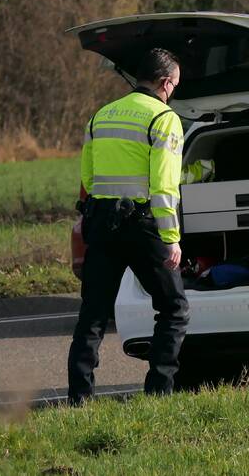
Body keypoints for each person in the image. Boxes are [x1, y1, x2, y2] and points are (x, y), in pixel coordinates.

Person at [67, 48, 190, 403]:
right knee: (173, 307)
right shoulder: (163, 119)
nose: (174, 92)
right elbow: (164, 187)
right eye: (175, 86)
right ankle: (158, 393)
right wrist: (171, 238)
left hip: (102, 222)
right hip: (142, 225)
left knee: (93, 314)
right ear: (165, 83)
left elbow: (87, 178)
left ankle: (79, 399)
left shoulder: (100, 116)